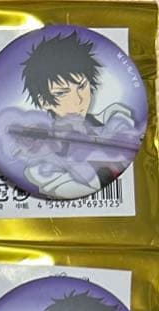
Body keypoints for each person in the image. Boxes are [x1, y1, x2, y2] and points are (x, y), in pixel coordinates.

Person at [14, 31, 137, 198]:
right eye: (62, 93)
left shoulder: (116, 119)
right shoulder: (41, 163)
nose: (78, 100)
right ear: (44, 101)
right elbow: (70, 188)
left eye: (82, 86)